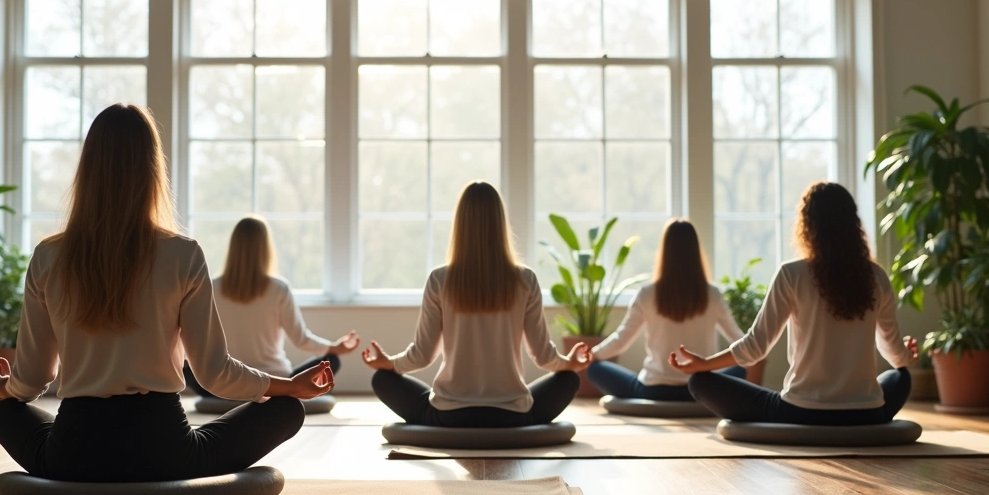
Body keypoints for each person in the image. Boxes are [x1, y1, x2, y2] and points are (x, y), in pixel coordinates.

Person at [0, 104, 333, 483]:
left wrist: (7, 388)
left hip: (73, 454)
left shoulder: (48, 256)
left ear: (88, 169)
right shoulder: (183, 253)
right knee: (286, 409)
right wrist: (289, 386)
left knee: (6, 412)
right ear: (152, 169)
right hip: (167, 454)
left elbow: (32, 380)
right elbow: (214, 374)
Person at [669, 182, 918, 425]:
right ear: (853, 224)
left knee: (699, 382)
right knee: (901, 378)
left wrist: (704, 364)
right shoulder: (877, 277)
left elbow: (755, 347)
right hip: (866, 414)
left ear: (807, 225)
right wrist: (907, 354)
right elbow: (896, 357)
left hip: (801, 412)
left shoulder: (792, 274)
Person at [361, 181, 591, 427]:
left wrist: (389, 363)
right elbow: (543, 357)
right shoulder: (526, 280)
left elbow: (422, 356)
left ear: (459, 224)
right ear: (500, 223)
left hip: (448, 415)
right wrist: (570, 363)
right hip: (513, 416)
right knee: (569, 379)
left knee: (382, 379)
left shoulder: (439, 279)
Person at [183, 216, 359, 400]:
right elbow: (302, 340)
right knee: (332, 361)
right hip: (277, 382)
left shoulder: (212, 287)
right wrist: (334, 348)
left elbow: (196, 342)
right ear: (266, 248)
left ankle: (236, 393)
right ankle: (280, 392)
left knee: (185, 366)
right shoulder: (279, 288)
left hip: (226, 383)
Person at [587, 218, 751, 401]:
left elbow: (621, 340)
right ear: (696, 251)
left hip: (654, 390)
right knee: (741, 369)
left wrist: (592, 355)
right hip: (702, 390)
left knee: (595, 368)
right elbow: (739, 342)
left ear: (664, 251)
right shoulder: (713, 294)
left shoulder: (647, 294)